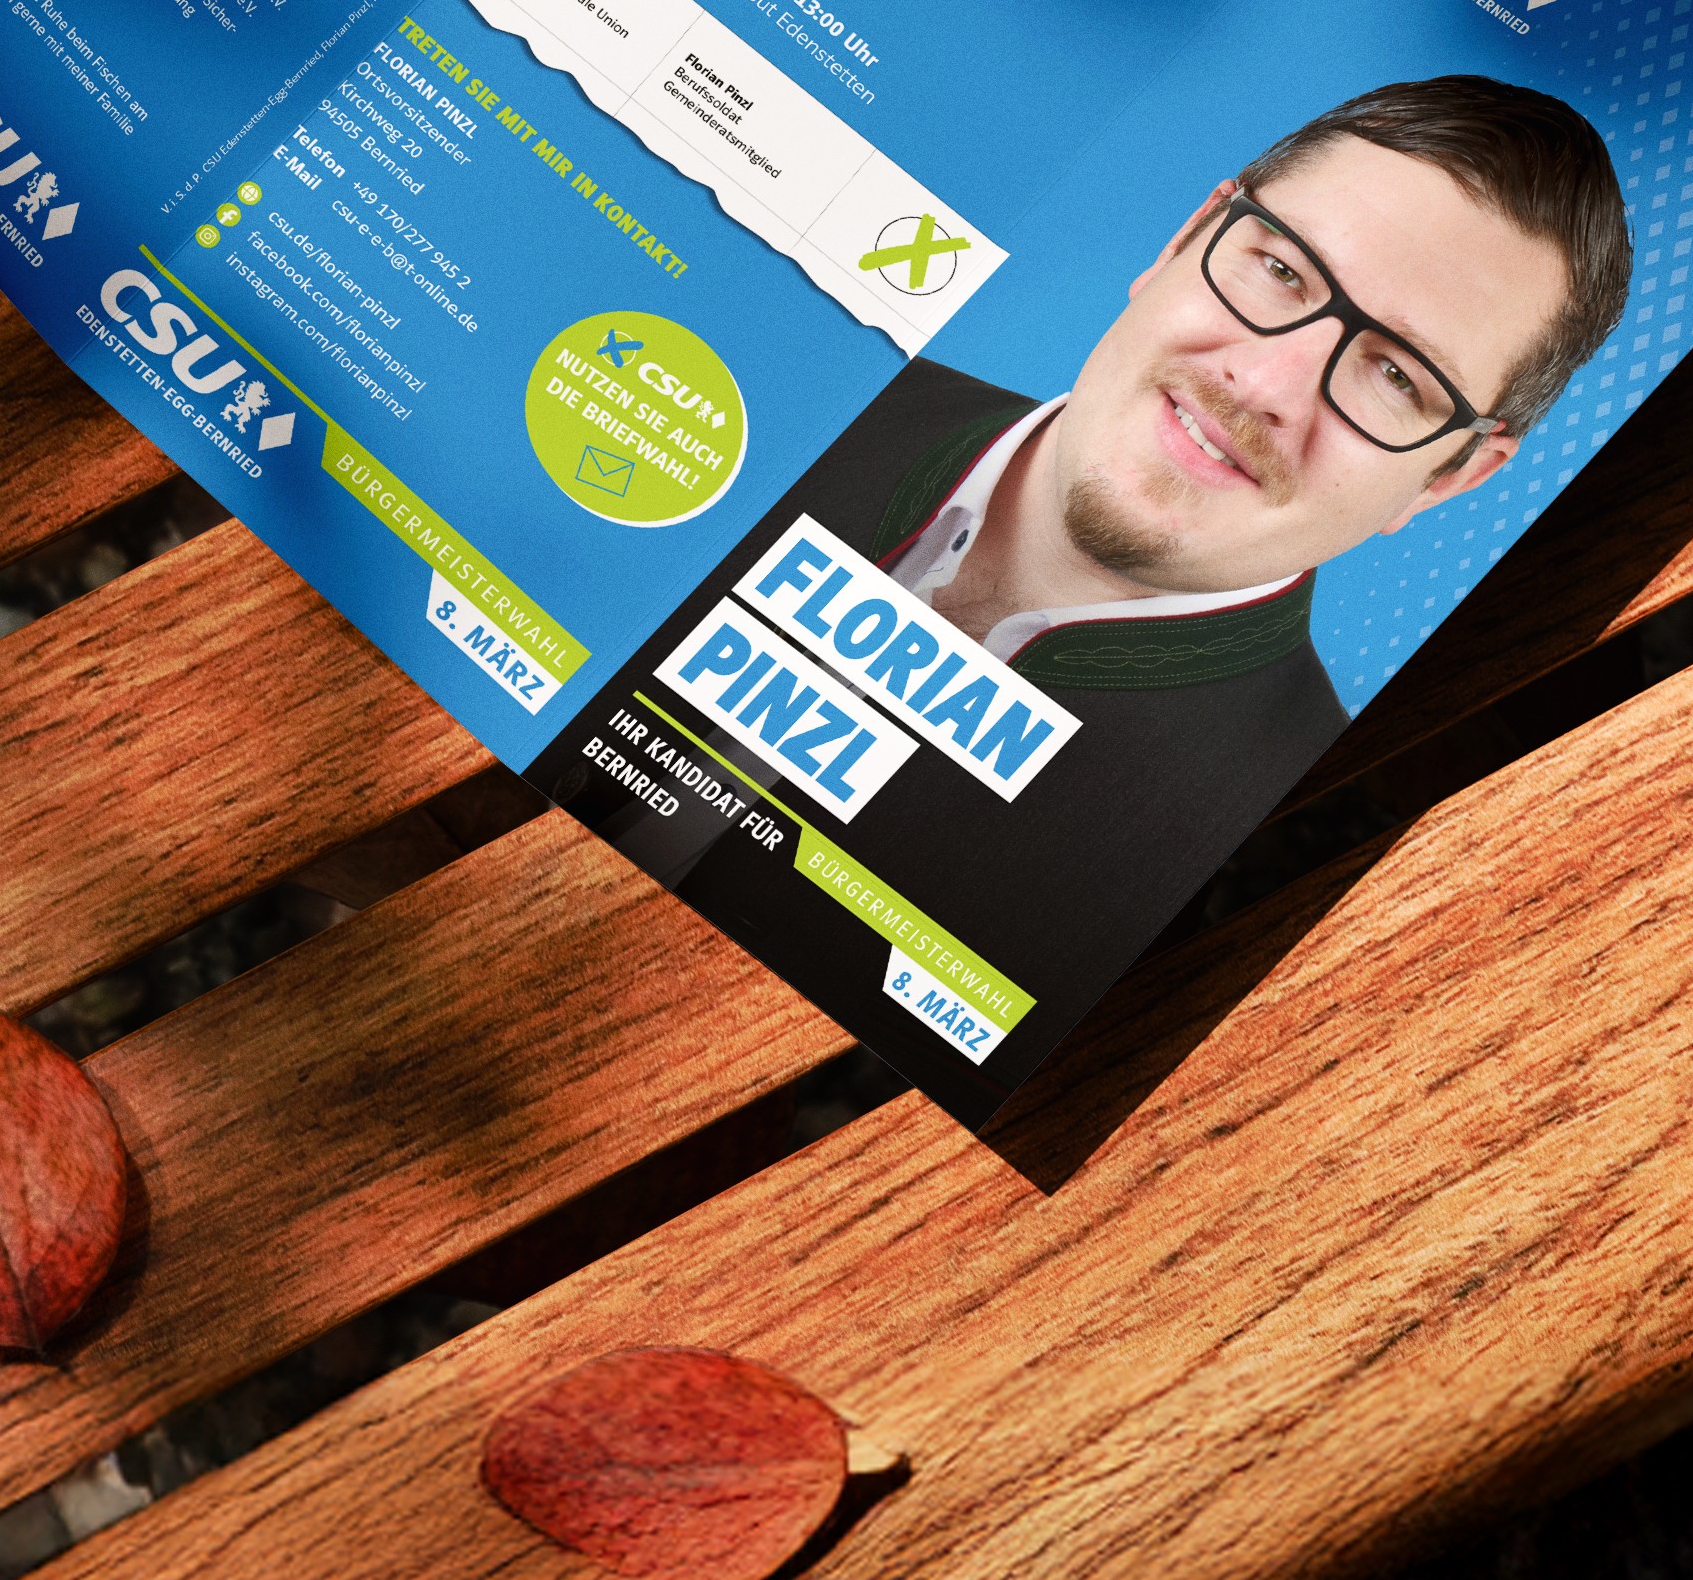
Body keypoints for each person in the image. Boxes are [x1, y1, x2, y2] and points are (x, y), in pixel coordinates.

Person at [641, 76, 1632, 1041]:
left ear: (1448, 480)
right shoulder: (758, 393)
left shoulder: (1278, 865)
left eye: (1394, 376)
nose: (1262, 380)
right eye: (1281, 270)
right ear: (1182, 241)